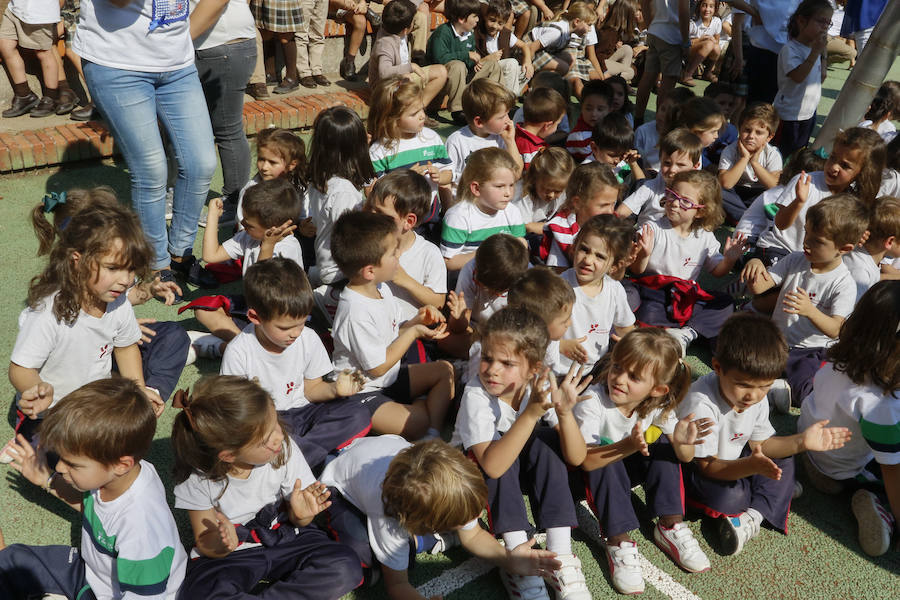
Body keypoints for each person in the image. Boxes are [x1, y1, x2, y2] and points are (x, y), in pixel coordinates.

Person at [171, 375, 362, 598]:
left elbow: (299, 519)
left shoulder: (283, 447)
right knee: (201, 592)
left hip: (287, 534)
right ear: (229, 455)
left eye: (276, 424)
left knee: (344, 565)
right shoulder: (197, 478)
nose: (279, 436)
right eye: (266, 438)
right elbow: (206, 541)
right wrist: (223, 543)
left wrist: (301, 515)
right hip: (233, 555)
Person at [678, 312, 851, 556]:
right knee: (733, 497)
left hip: (737, 460)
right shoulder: (701, 404)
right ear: (717, 367)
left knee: (785, 456)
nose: (754, 396)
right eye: (744, 385)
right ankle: (763, 495)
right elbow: (706, 466)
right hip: (699, 470)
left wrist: (803, 442)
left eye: (764, 386)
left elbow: (762, 443)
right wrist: (750, 466)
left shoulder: (754, 397)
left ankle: (750, 519)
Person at [71, 0, 217, 286]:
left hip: (177, 64)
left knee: (201, 163)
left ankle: (181, 254)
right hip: (116, 62)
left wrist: (178, 42)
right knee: (151, 170)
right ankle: (155, 264)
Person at [0, 379, 187, 599]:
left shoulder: (141, 528)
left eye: (72, 464)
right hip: (93, 573)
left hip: (114, 594)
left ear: (121, 464)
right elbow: (93, 508)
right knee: (13, 561)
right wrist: (47, 479)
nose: (59, 467)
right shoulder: (114, 476)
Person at [451, 307, 591, 600]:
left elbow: (577, 458)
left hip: (512, 467)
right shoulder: (476, 394)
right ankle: (518, 556)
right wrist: (530, 414)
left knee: (547, 441)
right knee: (499, 449)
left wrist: (564, 414)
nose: (492, 369)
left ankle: (559, 556)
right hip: (475, 473)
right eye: (487, 358)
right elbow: (491, 466)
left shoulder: (539, 385)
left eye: (507, 363)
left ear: (533, 369)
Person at [559, 329, 710, 593]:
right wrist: (626, 446)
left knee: (663, 443)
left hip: (623, 466)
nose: (619, 379)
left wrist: (683, 443)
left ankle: (670, 524)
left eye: (634, 376)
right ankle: (618, 540)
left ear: (657, 390)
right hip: (580, 476)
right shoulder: (592, 400)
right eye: (617, 367)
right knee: (607, 453)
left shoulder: (658, 405)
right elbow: (584, 461)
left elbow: (684, 458)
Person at [320, 436, 562, 599]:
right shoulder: (389, 517)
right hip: (338, 488)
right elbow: (397, 586)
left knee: (393, 551)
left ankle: (424, 540)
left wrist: (508, 559)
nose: (478, 516)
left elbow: (475, 533)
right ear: (423, 523)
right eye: (465, 519)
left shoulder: (453, 490)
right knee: (362, 553)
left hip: (380, 455)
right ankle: (424, 542)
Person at [7, 202, 165, 453]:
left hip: (94, 405)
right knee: (78, 466)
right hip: (53, 414)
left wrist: (138, 389)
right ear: (77, 261)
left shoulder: (118, 301)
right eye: (113, 268)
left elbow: (125, 348)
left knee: (172, 338)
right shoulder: (48, 312)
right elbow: (20, 368)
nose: (125, 281)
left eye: (131, 269)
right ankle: (29, 444)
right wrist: (35, 390)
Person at [219, 258, 371, 470]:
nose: (296, 333)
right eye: (285, 327)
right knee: (245, 443)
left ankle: (289, 461)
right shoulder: (238, 352)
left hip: (305, 412)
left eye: (302, 322)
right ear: (255, 317)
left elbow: (312, 390)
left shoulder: (307, 338)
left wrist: (336, 390)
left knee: (357, 413)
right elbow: (238, 413)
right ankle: (307, 459)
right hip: (267, 424)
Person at [330, 211, 454, 440]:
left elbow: (394, 333)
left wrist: (418, 321)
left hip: (390, 377)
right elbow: (377, 367)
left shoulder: (381, 288)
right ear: (369, 270)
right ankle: (423, 420)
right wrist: (414, 332)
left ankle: (433, 435)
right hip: (361, 391)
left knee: (444, 370)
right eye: (393, 253)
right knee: (416, 421)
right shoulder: (355, 309)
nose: (399, 256)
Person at [799, 281, 900, 557]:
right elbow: (893, 473)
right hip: (843, 469)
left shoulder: (838, 358)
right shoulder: (881, 405)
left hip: (808, 442)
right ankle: (876, 504)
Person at [741, 194, 869, 405]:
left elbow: (836, 329)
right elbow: (760, 287)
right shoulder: (795, 259)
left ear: (844, 249)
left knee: (807, 388)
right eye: (806, 233)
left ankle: (780, 391)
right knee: (739, 353)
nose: (806, 243)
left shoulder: (843, 283)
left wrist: (810, 311)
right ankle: (771, 382)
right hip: (777, 341)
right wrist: (755, 264)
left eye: (817, 241)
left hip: (810, 351)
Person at [631, 170, 747, 354]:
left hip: (686, 297)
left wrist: (729, 259)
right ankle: (667, 333)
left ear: (701, 211)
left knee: (724, 303)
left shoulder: (705, 236)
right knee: (637, 302)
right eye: (673, 195)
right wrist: (643, 254)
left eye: (685, 201)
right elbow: (637, 270)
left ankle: (687, 333)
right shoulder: (653, 228)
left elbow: (717, 271)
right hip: (654, 293)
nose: (675, 203)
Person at [192, 179, 304, 357]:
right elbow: (210, 255)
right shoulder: (249, 237)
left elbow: (263, 289)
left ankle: (238, 349)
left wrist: (267, 246)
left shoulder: (287, 248)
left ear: (272, 229)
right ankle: (247, 347)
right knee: (203, 310)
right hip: (253, 308)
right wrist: (213, 216)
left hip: (276, 315)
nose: (242, 224)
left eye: (249, 224)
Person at [751, 127, 886, 265]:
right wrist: (798, 202)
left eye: (845, 165)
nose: (834, 166)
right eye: (832, 157)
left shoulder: (853, 203)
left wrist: (857, 236)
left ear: (863, 172)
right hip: (779, 248)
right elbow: (780, 224)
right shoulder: (805, 182)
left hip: (811, 260)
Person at [190, 0, 258, 215]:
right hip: (223, 44)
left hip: (221, 45)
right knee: (224, 129)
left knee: (227, 130)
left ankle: (235, 202)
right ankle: (234, 200)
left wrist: (178, 42)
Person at [364, 171, 448, 324]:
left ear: (409, 221)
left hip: (413, 334)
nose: (372, 216)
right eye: (372, 209)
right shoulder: (369, 245)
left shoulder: (428, 253)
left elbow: (439, 302)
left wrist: (403, 279)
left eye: (381, 213)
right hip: (375, 328)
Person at [307, 106, 377, 288]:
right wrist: (371, 206)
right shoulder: (342, 191)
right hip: (339, 274)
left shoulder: (321, 176)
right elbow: (350, 238)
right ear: (355, 148)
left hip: (325, 264)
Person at [556, 215, 636, 373]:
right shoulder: (558, 286)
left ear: (614, 266)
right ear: (574, 247)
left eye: (600, 256)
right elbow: (536, 330)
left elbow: (625, 329)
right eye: (584, 249)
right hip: (557, 367)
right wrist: (560, 345)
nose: (588, 259)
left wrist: (633, 345)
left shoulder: (614, 290)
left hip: (595, 367)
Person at [368, 76, 452, 222]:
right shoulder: (379, 151)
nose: (422, 116)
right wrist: (405, 180)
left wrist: (440, 176)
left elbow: (449, 174)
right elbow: (371, 192)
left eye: (422, 109)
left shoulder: (432, 138)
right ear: (392, 119)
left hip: (430, 216)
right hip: (396, 220)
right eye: (414, 114)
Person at [441, 148, 526, 271]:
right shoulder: (458, 216)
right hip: (470, 276)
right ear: (476, 188)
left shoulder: (512, 212)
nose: (508, 193)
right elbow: (449, 262)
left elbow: (521, 244)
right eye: (500, 186)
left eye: (511, 185)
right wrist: (489, 253)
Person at [425, 0, 503, 125]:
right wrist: (466, 55)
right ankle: (458, 111)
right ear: (462, 19)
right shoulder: (443, 32)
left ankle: (494, 104)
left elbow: (469, 61)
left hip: (464, 78)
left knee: (492, 65)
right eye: (475, 16)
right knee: (457, 65)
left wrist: (474, 63)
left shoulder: (469, 34)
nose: (478, 19)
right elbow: (439, 58)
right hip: (443, 81)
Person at [445, 78, 522, 200]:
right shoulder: (457, 141)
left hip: (496, 203)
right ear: (479, 121)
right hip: (467, 204)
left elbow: (516, 174)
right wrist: (448, 208)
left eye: (508, 113)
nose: (508, 120)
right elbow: (446, 181)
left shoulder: (502, 137)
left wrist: (510, 141)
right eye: (502, 116)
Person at [774, 0, 832, 159]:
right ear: (801, 21)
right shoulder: (790, 49)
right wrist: (816, 53)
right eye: (821, 21)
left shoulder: (814, 49)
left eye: (828, 23)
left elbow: (821, 77)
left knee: (798, 154)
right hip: (789, 116)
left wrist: (823, 56)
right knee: (782, 154)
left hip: (808, 113)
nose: (825, 26)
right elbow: (798, 77)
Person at [539, 162, 621, 269]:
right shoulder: (561, 231)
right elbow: (557, 273)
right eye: (603, 205)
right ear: (577, 202)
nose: (610, 211)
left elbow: (617, 274)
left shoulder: (613, 224)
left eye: (613, 204)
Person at [368, 0, 448, 109]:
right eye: (412, 22)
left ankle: (417, 110)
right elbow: (384, 72)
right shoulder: (385, 44)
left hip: (400, 80)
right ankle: (413, 111)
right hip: (386, 89)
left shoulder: (396, 29)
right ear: (406, 30)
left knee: (441, 72)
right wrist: (411, 67)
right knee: (410, 82)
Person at [616, 128, 703, 225]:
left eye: (680, 165)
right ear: (660, 160)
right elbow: (621, 212)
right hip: (647, 237)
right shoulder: (651, 187)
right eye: (667, 163)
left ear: (695, 166)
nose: (672, 170)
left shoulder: (696, 194)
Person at [718, 102, 783, 222]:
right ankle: (748, 219)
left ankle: (741, 217)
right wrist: (744, 158)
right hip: (735, 192)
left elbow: (774, 185)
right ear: (740, 129)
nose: (751, 136)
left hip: (758, 194)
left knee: (778, 196)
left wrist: (755, 163)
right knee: (717, 190)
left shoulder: (772, 153)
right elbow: (726, 184)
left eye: (759, 132)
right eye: (747, 130)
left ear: (769, 137)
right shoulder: (730, 150)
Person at [633, 0, 691, 125]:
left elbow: (644, 3)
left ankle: (638, 119)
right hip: (672, 36)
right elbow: (684, 10)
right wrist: (686, 42)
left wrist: (651, 27)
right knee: (668, 84)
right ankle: (660, 124)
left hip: (655, 31)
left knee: (648, 76)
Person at [236, 128, 309, 226]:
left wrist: (304, 226)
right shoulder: (251, 191)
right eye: (261, 159)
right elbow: (244, 226)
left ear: (292, 164)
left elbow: (304, 216)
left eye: (272, 162)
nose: (264, 167)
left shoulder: (300, 186)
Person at [0, 0, 59, 117]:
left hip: (39, 14)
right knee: (5, 44)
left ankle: (51, 99)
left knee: (43, 52)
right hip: (15, 8)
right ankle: (24, 95)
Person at [523, 2, 598, 85]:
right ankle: (533, 83)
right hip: (525, 52)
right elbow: (532, 47)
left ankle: (544, 83)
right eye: (588, 25)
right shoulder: (557, 32)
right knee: (564, 68)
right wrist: (528, 64)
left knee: (570, 59)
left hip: (540, 51)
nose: (590, 29)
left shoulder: (568, 32)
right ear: (576, 21)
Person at [842, 197, 900, 301]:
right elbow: (850, 314)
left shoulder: (865, 256)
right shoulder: (860, 273)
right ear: (890, 242)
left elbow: (876, 277)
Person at [514, 147, 576, 243]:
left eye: (558, 191)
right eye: (546, 189)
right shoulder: (524, 197)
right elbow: (526, 227)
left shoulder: (565, 191)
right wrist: (553, 227)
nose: (551, 195)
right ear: (535, 179)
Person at [474, 0, 535, 97]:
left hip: (502, 74)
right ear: (485, 17)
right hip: (485, 73)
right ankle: (510, 100)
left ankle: (505, 96)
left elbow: (524, 46)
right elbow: (473, 61)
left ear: (505, 23)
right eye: (492, 20)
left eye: (500, 23)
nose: (495, 26)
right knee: (511, 63)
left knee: (526, 70)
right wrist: (488, 59)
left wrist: (527, 61)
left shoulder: (505, 34)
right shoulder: (478, 33)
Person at [633, 87, 694, 173]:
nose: (664, 116)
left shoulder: (686, 140)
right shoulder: (643, 131)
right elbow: (635, 160)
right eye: (663, 109)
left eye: (671, 114)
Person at [515, 87, 568, 170]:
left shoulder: (515, 134)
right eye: (557, 124)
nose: (557, 128)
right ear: (547, 125)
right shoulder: (533, 153)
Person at [586, 112, 645, 186]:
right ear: (594, 148)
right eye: (612, 155)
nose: (617, 160)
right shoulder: (587, 171)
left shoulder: (624, 163)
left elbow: (642, 186)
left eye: (622, 154)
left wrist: (633, 164)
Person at [670, 96, 727, 169]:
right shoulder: (679, 153)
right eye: (713, 132)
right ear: (695, 130)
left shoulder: (695, 150)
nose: (716, 136)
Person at [566, 80, 613, 163]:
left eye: (600, 109)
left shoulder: (607, 127)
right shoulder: (579, 137)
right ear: (581, 108)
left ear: (610, 110)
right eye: (588, 109)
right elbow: (599, 161)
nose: (594, 114)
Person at [593, 0, 640, 83]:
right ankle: (616, 82)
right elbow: (598, 54)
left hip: (607, 60)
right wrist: (606, 73)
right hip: (601, 65)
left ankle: (620, 81)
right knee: (630, 71)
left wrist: (615, 48)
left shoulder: (617, 30)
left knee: (627, 49)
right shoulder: (610, 32)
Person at [682, 0, 722, 86]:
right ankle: (688, 73)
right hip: (687, 52)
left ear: (715, 9)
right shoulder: (693, 23)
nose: (707, 9)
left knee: (716, 47)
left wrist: (712, 40)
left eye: (711, 6)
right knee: (708, 44)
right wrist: (700, 40)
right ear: (699, 7)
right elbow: (683, 42)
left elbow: (717, 42)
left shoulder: (717, 21)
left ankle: (707, 72)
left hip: (704, 55)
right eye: (704, 5)